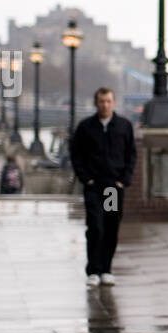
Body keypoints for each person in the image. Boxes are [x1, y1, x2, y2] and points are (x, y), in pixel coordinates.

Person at [69, 88, 136, 286]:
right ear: (96, 103)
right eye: (101, 101)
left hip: (112, 188)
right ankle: (93, 270)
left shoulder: (123, 126)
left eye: (108, 101)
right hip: (94, 186)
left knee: (110, 227)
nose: (105, 105)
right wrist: (85, 178)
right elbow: (76, 154)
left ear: (113, 103)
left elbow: (131, 155)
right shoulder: (86, 127)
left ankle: (106, 269)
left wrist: (123, 180)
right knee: (95, 227)